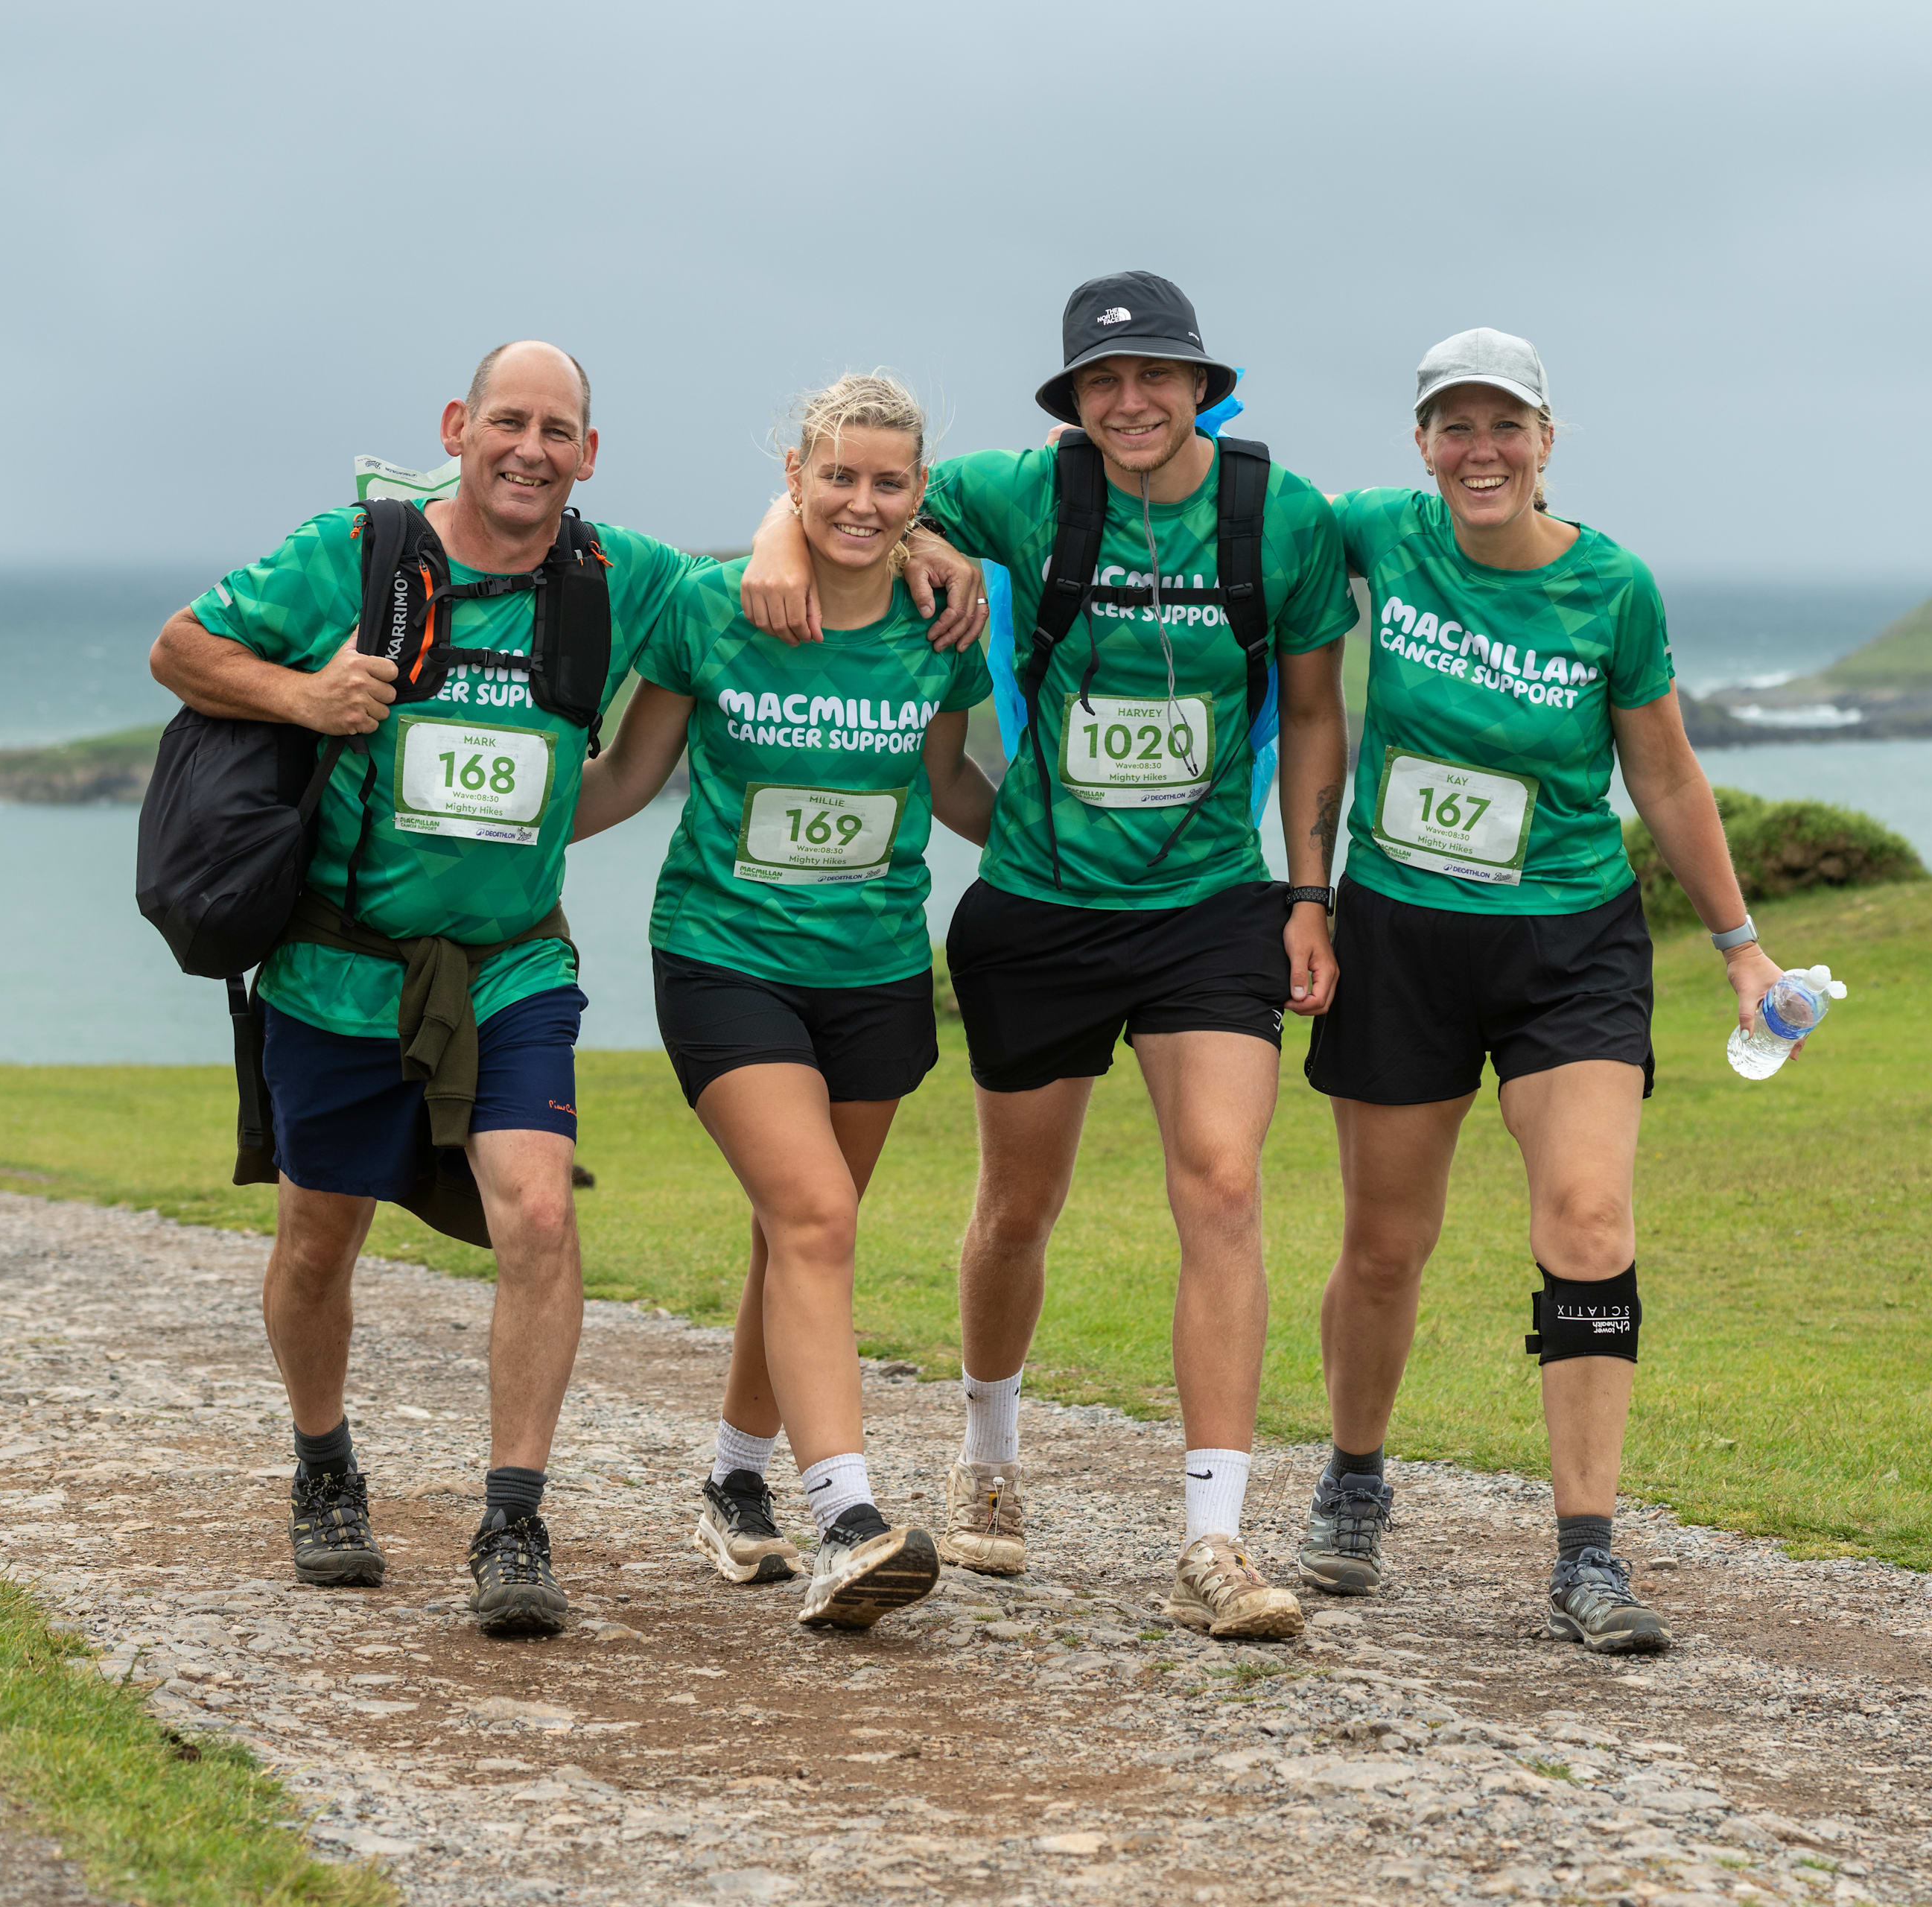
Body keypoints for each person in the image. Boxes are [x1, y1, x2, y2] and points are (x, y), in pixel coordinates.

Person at [147, 342, 982, 1637]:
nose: (530, 448)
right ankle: (324, 1464)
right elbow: (183, 648)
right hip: (339, 962)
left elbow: (804, 551)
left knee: (538, 1216)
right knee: (319, 1243)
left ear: (589, 454)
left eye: (559, 429)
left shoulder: (617, 579)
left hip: (517, 962)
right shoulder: (354, 555)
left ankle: (514, 1519)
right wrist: (306, 698)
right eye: (507, 422)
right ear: (459, 429)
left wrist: (908, 539)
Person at [744, 273, 1356, 1641]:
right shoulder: (1028, 491)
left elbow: (1315, 712)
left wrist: (1311, 889)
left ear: (1202, 385)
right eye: (1102, 384)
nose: (1130, 404)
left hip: (1210, 906)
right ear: (1074, 401)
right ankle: (990, 1455)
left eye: (1156, 378)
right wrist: (789, 536)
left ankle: (1214, 1540)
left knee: (1225, 1179)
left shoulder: (1281, 518)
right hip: (1039, 902)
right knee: (1018, 1211)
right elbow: (867, 492)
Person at [1292, 328, 1788, 1654]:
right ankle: (1352, 1476)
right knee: (1387, 1244)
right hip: (1402, 931)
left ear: (1547, 440)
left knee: (1588, 1215)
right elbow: (1214, 498)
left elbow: (1668, 779)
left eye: (1504, 425)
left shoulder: (1612, 588)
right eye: (1454, 427)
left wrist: (1740, 945)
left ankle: (1587, 1551)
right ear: (1421, 448)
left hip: (1570, 940)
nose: (1481, 451)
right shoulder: (1380, 535)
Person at [573, 373, 995, 1631]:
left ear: (921, 496)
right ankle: (852, 1518)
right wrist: (482, 847)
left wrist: (1075, 847)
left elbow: (951, 786)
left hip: (873, 970)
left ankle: (730, 1486)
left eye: (889, 483)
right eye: (838, 477)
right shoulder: (714, 609)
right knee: (813, 1215)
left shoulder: (938, 626)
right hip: (725, 956)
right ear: (796, 474)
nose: (861, 502)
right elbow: (622, 779)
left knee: (795, 1233)